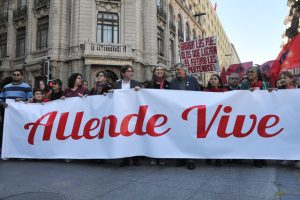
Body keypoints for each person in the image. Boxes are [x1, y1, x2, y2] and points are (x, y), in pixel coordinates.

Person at [170, 63, 200, 170]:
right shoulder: (173, 82)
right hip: (178, 114)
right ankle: (181, 158)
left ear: (184, 70)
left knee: (191, 136)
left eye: (178, 69)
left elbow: (199, 94)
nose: (176, 71)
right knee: (180, 135)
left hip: (191, 113)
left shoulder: (193, 80)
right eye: (175, 70)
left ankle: (191, 158)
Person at [241, 66, 269, 168]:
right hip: (250, 113)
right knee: (254, 136)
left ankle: (263, 157)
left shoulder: (265, 84)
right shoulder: (244, 84)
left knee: (262, 135)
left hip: (263, 112)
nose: (249, 73)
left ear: (257, 74)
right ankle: (256, 158)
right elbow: (241, 96)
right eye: (248, 72)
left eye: (251, 72)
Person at [114, 65, 142, 167]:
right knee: (123, 136)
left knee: (134, 136)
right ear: (123, 73)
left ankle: (135, 158)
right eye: (129, 71)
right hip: (121, 114)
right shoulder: (116, 85)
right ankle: (125, 158)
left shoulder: (136, 84)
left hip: (133, 113)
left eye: (132, 71)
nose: (131, 73)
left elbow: (144, 95)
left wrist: (140, 90)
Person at [144, 66, 169, 165]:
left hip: (164, 113)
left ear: (164, 72)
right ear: (154, 72)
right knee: (152, 134)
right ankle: (153, 156)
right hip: (152, 113)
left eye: (161, 70)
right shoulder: (149, 84)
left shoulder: (168, 84)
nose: (159, 71)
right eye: (157, 70)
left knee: (163, 135)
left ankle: (162, 156)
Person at [204, 74, 227, 167]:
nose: (213, 80)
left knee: (219, 139)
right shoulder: (205, 91)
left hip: (221, 118)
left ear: (219, 81)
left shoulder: (225, 91)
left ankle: (218, 158)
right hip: (208, 117)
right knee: (209, 138)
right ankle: (208, 156)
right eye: (211, 79)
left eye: (215, 79)